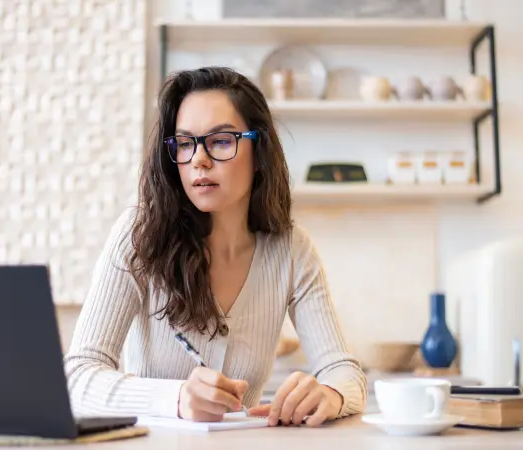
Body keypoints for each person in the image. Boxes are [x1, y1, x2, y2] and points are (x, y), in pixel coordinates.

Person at [64, 66, 367, 427]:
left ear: (259, 151)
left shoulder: (291, 250)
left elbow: (344, 372)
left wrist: (329, 394)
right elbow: (77, 378)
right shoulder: (139, 234)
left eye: (221, 142)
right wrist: (175, 398)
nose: (199, 160)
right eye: (186, 143)